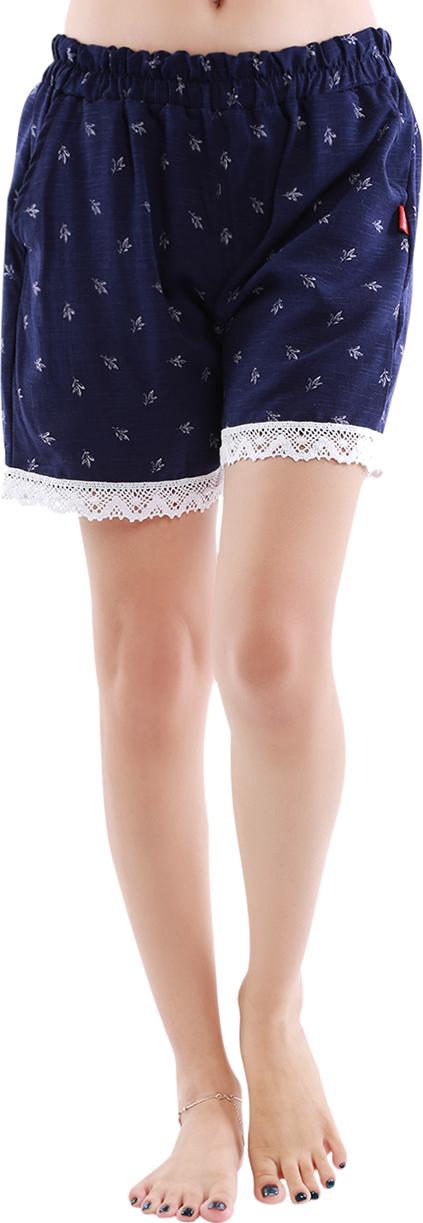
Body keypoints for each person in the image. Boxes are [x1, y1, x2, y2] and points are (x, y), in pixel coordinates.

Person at [0, 1, 421, 1217]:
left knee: (272, 650)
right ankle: (202, 1088)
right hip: (110, 145)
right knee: (148, 670)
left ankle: (273, 1005)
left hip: (324, 135)